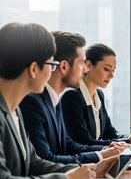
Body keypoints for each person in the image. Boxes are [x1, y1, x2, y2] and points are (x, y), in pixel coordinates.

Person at [0, 22, 116, 179]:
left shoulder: (14, 111)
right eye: (51, 64)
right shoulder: (15, 109)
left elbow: (33, 163)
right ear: (33, 69)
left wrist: (88, 169)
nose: (52, 70)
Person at [20, 31, 123, 164]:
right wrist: (100, 156)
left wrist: (103, 151)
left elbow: (68, 145)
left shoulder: (53, 100)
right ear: (63, 66)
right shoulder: (32, 102)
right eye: (81, 64)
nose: (85, 70)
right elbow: (45, 159)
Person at [61, 43, 131, 146]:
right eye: (107, 69)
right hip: (83, 161)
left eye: (113, 70)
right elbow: (84, 142)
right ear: (88, 65)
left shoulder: (99, 95)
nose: (111, 75)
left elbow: (110, 134)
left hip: (100, 159)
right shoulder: (71, 97)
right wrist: (129, 141)